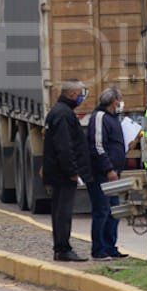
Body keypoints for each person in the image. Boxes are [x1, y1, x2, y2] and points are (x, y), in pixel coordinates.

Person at [43, 79, 91, 262]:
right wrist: (72, 171)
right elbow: (64, 146)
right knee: (63, 212)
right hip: (62, 174)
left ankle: (61, 247)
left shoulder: (59, 111)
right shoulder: (63, 114)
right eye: (80, 94)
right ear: (72, 94)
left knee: (59, 211)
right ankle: (63, 248)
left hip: (58, 171)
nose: (81, 97)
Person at [86, 87, 131, 260]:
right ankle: (98, 249)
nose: (121, 103)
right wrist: (108, 169)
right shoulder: (99, 117)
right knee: (102, 210)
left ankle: (110, 246)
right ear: (114, 101)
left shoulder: (114, 118)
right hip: (101, 174)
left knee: (114, 211)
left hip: (114, 173)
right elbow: (97, 146)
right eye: (120, 99)